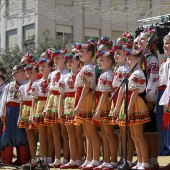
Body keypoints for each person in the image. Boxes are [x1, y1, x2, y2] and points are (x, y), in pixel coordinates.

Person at [73, 39, 101, 170]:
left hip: (86, 97)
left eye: (82, 51)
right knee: (87, 132)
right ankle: (89, 159)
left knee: (91, 131)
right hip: (83, 96)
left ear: (90, 54)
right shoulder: (84, 67)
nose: (79, 53)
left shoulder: (88, 67)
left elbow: (86, 86)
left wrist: (79, 104)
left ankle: (95, 159)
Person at [92, 49, 119, 170]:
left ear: (109, 62)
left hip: (105, 104)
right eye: (98, 60)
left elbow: (104, 93)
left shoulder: (108, 74)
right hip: (102, 103)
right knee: (104, 133)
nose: (99, 62)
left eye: (102, 60)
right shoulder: (104, 74)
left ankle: (113, 160)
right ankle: (107, 159)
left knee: (108, 133)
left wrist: (98, 110)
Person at [124, 49, 151, 170]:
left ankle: (145, 162)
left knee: (138, 135)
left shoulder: (137, 73)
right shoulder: (134, 73)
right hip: (132, 102)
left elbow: (135, 92)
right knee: (134, 135)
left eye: (131, 59)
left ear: (139, 60)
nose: (128, 61)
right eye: (128, 59)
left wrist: (129, 108)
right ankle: (140, 161)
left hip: (135, 103)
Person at [43, 49, 70, 168]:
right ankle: (57, 158)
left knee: (65, 132)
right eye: (55, 58)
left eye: (58, 57)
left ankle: (67, 158)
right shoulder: (52, 74)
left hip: (62, 99)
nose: (56, 59)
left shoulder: (67, 73)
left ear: (64, 59)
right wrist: (46, 106)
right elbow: (49, 90)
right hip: (52, 100)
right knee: (55, 131)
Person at [138, 26, 159, 170]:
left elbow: (153, 79)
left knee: (151, 131)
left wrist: (150, 99)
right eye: (138, 40)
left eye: (142, 40)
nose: (139, 42)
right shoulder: (142, 58)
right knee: (144, 131)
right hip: (142, 98)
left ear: (150, 43)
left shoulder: (151, 59)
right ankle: (145, 158)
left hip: (148, 99)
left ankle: (153, 159)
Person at [58, 51, 84, 169]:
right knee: (70, 134)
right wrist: (60, 110)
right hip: (68, 104)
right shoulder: (64, 77)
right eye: (67, 61)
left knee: (79, 133)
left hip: (77, 101)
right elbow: (61, 94)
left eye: (71, 60)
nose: (69, 63)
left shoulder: (81, 74)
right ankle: (73, 159)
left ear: (78, 62)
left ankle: (79, 158)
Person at [110, 43, 134, 168]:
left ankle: (128, 159)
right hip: (118, 99)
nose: (116, 55)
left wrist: (117, 106)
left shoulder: (124, 69)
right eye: (115, 53)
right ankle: (124, 157)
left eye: (119, 53)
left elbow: (122, 89)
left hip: (123, 99)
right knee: (122, 133)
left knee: (126, 133)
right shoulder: (119, 68)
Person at [0, 65, 29, 165]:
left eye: (15, 71)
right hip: (9, 113)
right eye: (12, 70)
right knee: (7, 136)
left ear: (22, 73)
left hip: (20, 112)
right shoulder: (9, 85)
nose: (12, 73)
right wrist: (2, 113)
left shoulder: (26, 84)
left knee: (21, 136)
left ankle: (23, 160)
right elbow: (4, 100)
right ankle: (6, 160)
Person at [31, 58, 54, 165]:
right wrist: (32, 113)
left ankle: (50, 158)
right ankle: (44, 158)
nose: (42, 68)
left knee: (50, 134)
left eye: (44, 66)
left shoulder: (53, 81)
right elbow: (34, 100)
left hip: (49, 106)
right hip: (39, 108)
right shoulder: (36, 83)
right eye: (41, 66)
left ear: (50, 68)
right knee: (42, 134)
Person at [17, 63, 39, 168]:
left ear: (37, 73)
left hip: (36, 109)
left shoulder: (39, 84)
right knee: (30, 136)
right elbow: (21, 102)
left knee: (38, 135)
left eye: (31, 73)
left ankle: (42, 157)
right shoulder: (23, 87)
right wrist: (19, 116)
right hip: (26, 110)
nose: (29, 75)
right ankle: (33, 157)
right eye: (28, 73)